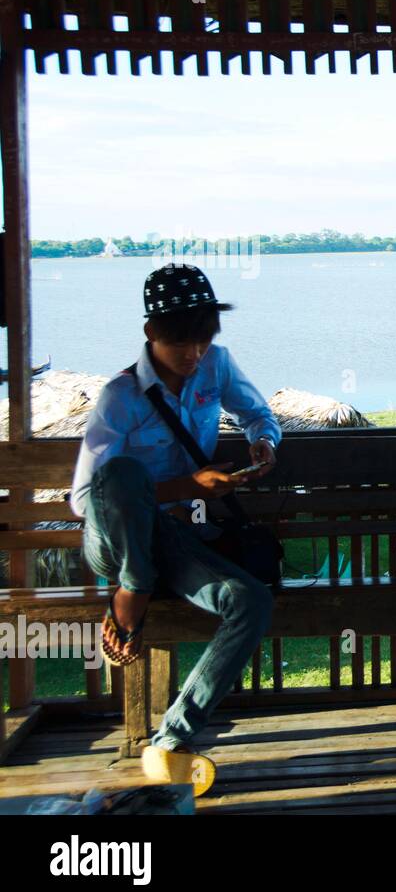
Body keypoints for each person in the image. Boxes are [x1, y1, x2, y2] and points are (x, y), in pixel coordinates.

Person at [71, 264, 281, 796]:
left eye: (203, 339)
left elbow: (259, 414)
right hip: (114, 541)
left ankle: (170, 739)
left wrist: (264, 442)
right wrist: (186, 485)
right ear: (151, 333)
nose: (193, 354)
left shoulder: (217, 367)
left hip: (174, 540)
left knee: (250, 601)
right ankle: (134, 585)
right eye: (180, 340)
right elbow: (84, 499)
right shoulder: (119, 397)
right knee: (122, 474)